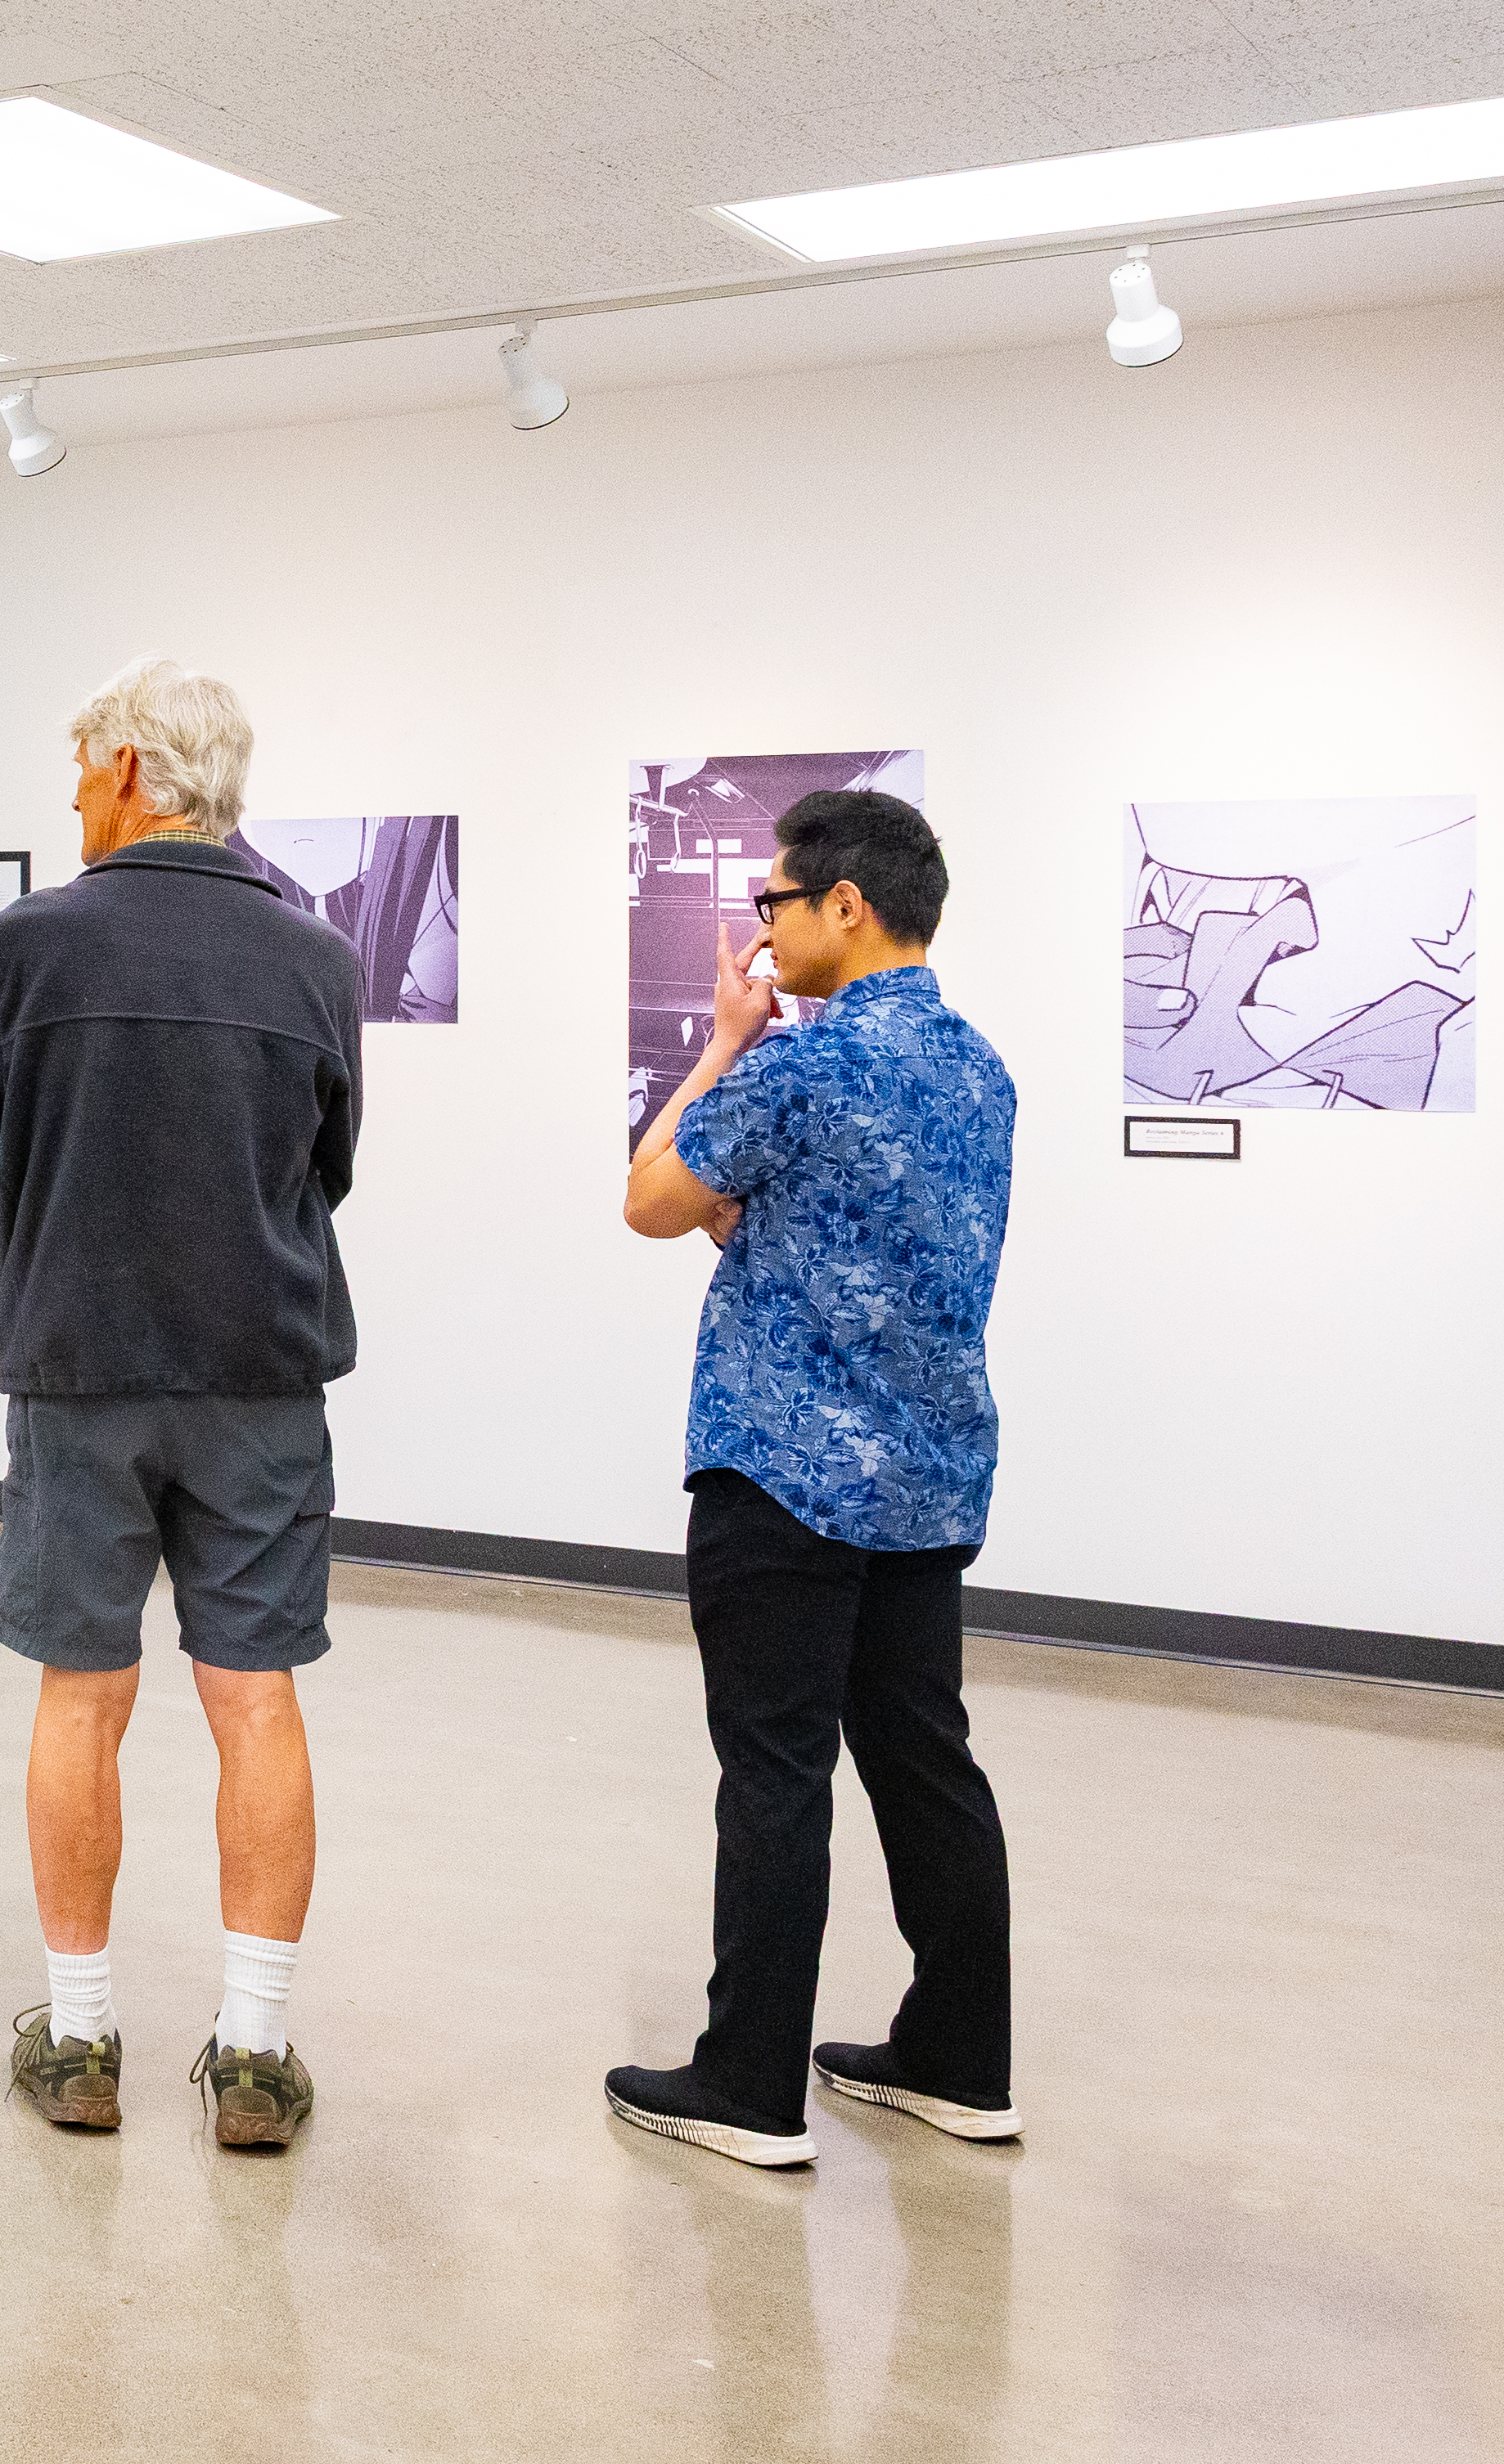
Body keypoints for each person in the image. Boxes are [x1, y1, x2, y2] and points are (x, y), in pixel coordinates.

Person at [0, 661, 358, 2145]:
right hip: (261, 1371)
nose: (67, 797)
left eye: (76, 770)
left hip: (80, 1368)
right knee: (254, 1697)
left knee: (81, 1693)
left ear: (126, 770)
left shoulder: (22, 946)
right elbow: (328, 1161)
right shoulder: (314, 958)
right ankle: (251, 2053)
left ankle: (81, 2035)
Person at [607, 788, 1020, 2169]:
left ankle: (747, 2083)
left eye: (774, 903)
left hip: (782, 1472)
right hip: (926, 1474)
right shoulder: (979, 1071)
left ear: (846, 905)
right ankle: (961, 2062)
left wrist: (720, 1046)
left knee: (774, 1772)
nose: (760, 926)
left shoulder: (802, 1063)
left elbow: (649, 1195)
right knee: (924, 1765)